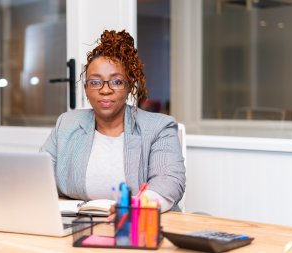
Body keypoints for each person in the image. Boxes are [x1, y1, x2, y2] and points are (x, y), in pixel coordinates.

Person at [40, 30, 185, 212]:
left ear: (129, 86)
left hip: (138, 226)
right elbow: (39, 177)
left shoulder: (158, 127)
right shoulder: (66, 123)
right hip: (77, 225)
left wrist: (129, 209)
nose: (105, 90)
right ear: (86, 89)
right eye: (95, 82)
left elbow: (169, 182)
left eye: (116, 82)